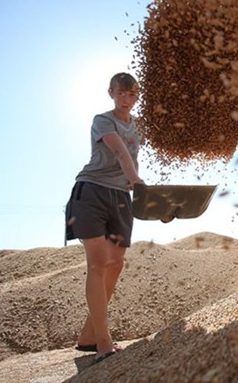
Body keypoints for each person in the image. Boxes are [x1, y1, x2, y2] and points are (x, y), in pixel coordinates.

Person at [65, 72, 144, 365]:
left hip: (121, 196)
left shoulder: (139, 126)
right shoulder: (103, 120)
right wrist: (138, 181)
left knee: (116, 263)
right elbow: (121, 152)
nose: (126, 99)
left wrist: (152, 202)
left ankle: (88, 335)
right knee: (98, 263)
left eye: (132, 94)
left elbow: (134, 157)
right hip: (92, 193)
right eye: (121, 93)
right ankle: (103, 343)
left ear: (137, 96)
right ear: (111, 93)